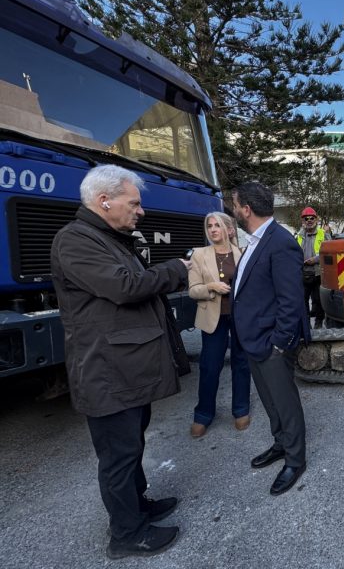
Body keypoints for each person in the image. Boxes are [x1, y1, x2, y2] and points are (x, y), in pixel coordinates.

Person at [50, 165, 190, 559]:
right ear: (103, 201)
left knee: (131, 444)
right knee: (118, 454)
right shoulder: (75, 241)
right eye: (134, 203)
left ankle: (137, 506)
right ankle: (127, 536)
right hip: (106, 372)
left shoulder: (106, 237)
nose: (140, 211)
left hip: (122, 368)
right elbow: (125, 287)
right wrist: (178, 268)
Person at [231, 181, 311, 496]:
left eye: (235, 204)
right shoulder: (255, 240)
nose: (232, 210)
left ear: (246, 209)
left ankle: (296, 458)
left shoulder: (280, 242)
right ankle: (281, 443)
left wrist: (279, 343)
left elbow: (292, 301)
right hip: (253, 338)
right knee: (269, 400)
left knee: (285, 402)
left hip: (270, 342)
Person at [187, 212, 252, 438]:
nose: (213, 229)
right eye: (209, 226)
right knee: (209, 366)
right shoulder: (199, 255)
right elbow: (193, 290)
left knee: (241, 363)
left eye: (217, 226)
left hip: (239, 317)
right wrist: (211, 286)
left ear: (230, 229)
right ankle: (203, 414)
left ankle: (241, 409)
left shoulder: (242, 254)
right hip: (212, 318)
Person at [295, 206, 329, 328]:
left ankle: (319, 323)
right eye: (306, 218)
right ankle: (306, 324)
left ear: (316, 219)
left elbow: (328, 252)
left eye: (312, 218)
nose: (309, 220)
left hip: (318, 273)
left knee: (319, 301)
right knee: (302, 301)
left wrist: (315, 260)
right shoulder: (298, 236)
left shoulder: (323, 234)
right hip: (303, 273)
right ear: (302, 221)